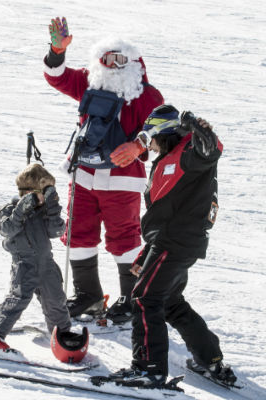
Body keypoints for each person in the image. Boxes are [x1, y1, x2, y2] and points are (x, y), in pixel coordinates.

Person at [105, 105, 237, 388]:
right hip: (168, 241)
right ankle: (209, 359)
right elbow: (163, 213)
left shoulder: (189, 155)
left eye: (149, 137)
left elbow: (211, 150)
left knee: (144, 299)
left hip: (176, 241)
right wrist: (146, 251)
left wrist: (197, 127)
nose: (148, 145)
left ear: (161, 132)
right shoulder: (167, 159)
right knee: (170, 303)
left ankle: (149, 369)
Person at [44, 17, 164, 322]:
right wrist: (57, 51)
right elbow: (57, 77)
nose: (113, 67)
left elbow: (163, 127)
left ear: (134, 63)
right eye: (106, 61)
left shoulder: (146, 95)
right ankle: (88, 296)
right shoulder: (89, 83)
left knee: (124, 238)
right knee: (78, 232)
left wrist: (138, 146)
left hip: (122, 181)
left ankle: (132, 298)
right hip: (84, 175)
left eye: (120, 61)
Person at [0, 163, 87, 361]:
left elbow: (56, 231)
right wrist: (21, 209)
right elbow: (7, 230)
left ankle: (62, 334)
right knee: (18, 299)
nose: (45, 197)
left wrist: (53, 208)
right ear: (29, 192)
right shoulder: (10, 210)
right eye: (43, 192)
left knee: (55, 299)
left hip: (47, 264)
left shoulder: (44, 212)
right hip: (25, 264)